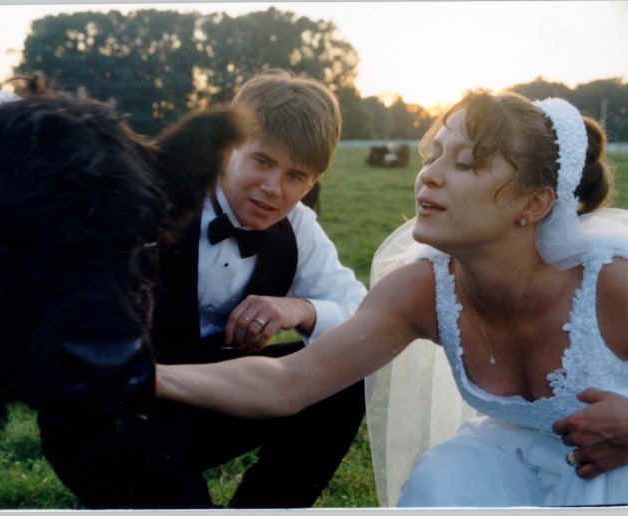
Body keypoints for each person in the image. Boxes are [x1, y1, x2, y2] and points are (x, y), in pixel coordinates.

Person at [157, 89, 628, 506]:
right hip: (503, 471)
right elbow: (287, 381)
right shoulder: (419, 288)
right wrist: (142, 376)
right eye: (433, 155)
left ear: (535, 204)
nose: (429, 176)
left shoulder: (612, 280)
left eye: (463, 163)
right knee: (444, 485)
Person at [36, 69, 368, 508]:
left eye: (297, 176)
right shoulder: (148, 195)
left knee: (345, 376)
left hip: (201, 403)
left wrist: (300, 310)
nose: (274, 188)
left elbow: (365, 318)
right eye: (262, 161)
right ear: (226, 148)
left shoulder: (298, 226)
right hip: (106, 410)